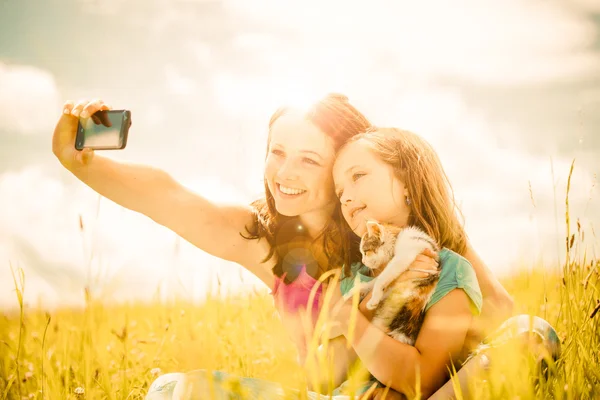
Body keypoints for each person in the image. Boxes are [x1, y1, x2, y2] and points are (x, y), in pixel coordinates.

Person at [51, 95, 516, 398]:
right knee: (174, 390)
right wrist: (85, 167)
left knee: (529, 337)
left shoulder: (404, 234)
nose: (284, 174)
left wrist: (423, 371)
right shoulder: (265, 241)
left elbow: (499, 309)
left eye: (309, 160)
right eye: (277, 152)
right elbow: (170, 197)